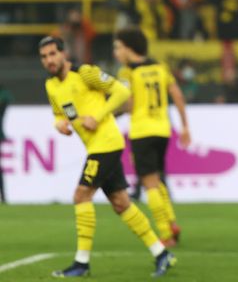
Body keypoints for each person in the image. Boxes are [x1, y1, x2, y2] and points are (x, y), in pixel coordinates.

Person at [38, 36, 176, 277]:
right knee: (121, 203)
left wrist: (98, 115)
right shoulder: (51, 85)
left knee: (81, 196)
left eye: (52, 54)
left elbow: (121, 91)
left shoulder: (86, 73)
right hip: (95, 147)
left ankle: (81, 263)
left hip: (107, 143)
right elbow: (59, 112)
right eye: (44, 57)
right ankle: (161, 253)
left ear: (63, 53)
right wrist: (58, 123)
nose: (49, 60)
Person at [113, 27, 191, 247]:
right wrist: (185, 127)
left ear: (129, 48)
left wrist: (110, 112)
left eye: (118, 47)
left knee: (149, 184)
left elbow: (128, 105)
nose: (116, 53)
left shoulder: (127, 73)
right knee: (156, 178)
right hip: (162, 129)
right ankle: (172, 222)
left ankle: (166, 234)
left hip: (142, 130)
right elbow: (177, 95)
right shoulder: (159, 67)